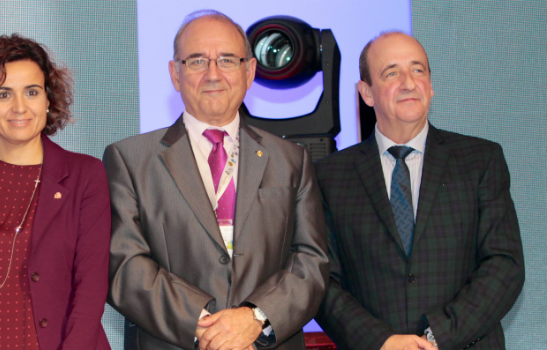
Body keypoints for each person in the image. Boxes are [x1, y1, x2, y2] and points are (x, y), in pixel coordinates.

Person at [104, 10, 328, 350]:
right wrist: (207, 324)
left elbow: (312, 261)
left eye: (227, 60)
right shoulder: (129, 160)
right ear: (175, 74)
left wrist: (254, 318)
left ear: (249, 71)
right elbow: (124, 265)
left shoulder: (291, 160)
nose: (212, 74)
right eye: (196, 61)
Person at [314, 32, 525, 350]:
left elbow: (504, 264)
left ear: (430, 84)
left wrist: (436, 336)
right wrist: (382, 342)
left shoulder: (481, 160)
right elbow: (321, 281)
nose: (409, 83)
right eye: (391, 73)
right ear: (367, 92)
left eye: (418, 70)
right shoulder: (329, 176)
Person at [0, 34, 111, 350]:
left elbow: (90, 289)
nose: (20, 107)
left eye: (32, 92)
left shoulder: (85, 176)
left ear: (48, 99)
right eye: (3, 94)